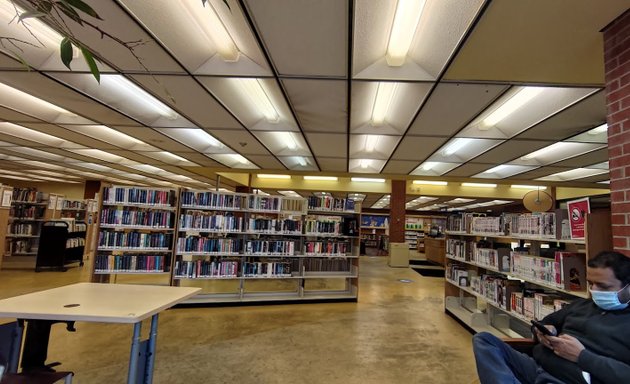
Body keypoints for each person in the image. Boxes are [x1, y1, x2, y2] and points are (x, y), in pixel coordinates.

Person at [472, 251, 630, 384]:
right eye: (591, 283)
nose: (594, 290)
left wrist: (581, 356)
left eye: (603, 286)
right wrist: (541, 332)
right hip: (536, 366)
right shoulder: (581, 305)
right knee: (484, 340)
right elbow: (543, 323)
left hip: (567, 379)